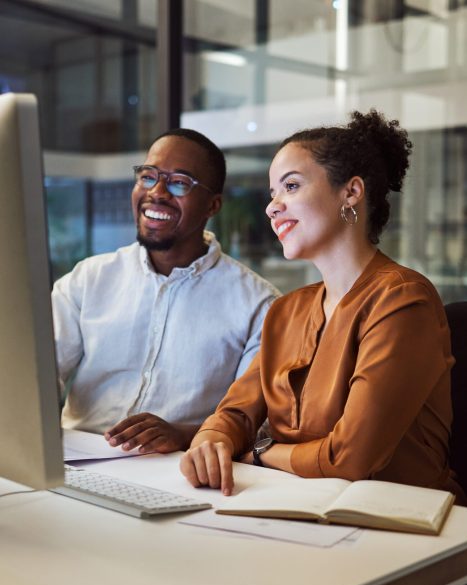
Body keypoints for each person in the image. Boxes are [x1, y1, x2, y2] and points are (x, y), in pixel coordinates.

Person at [180, 110, 466, 507]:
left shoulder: (403, 299)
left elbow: (350, 458)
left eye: (291, 186)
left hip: (396, 523)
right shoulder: (287, 310)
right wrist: (213, 439)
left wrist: (259, 453)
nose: (272, 207)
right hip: (296, 504)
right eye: (272, 194)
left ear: (351, 192)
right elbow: (235, 415)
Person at [52, 128, 280, 453]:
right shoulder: (88, 280)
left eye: (179, 182)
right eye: (148, 176)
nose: (157, 192)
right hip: (76, 459)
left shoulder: (258, 304)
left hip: (179, 469)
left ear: (212, 205)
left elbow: (258, 424)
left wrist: (184, 434)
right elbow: (37, 376)